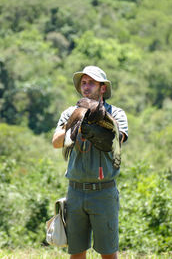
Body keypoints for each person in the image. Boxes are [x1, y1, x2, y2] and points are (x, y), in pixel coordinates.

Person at [52, 66, 128, 259]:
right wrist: (77, 126)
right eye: (83, 83)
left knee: (108, 253)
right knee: (76, 253)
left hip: (103, 192)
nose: (86, 87)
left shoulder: (116, 113)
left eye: (91, 83)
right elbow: (56, 142)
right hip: (76, 191)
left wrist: (96, 123)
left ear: (103, 88)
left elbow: (117, 139)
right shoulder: (70, 113)